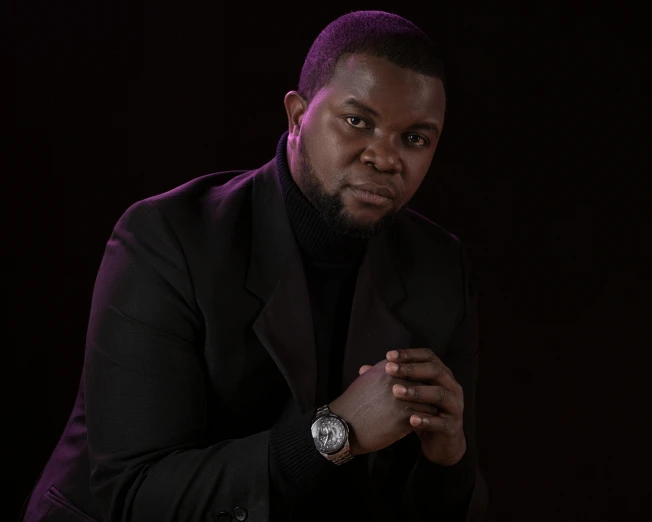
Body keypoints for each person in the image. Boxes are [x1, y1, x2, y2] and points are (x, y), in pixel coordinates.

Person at [20, 10, 488, 522]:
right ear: (296, 116)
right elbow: (134, 493)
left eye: (415, 138)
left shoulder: (440, 269)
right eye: (358, 121)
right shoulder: (166, 241)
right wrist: (337, 432)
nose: (385, 157)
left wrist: (447, 460)